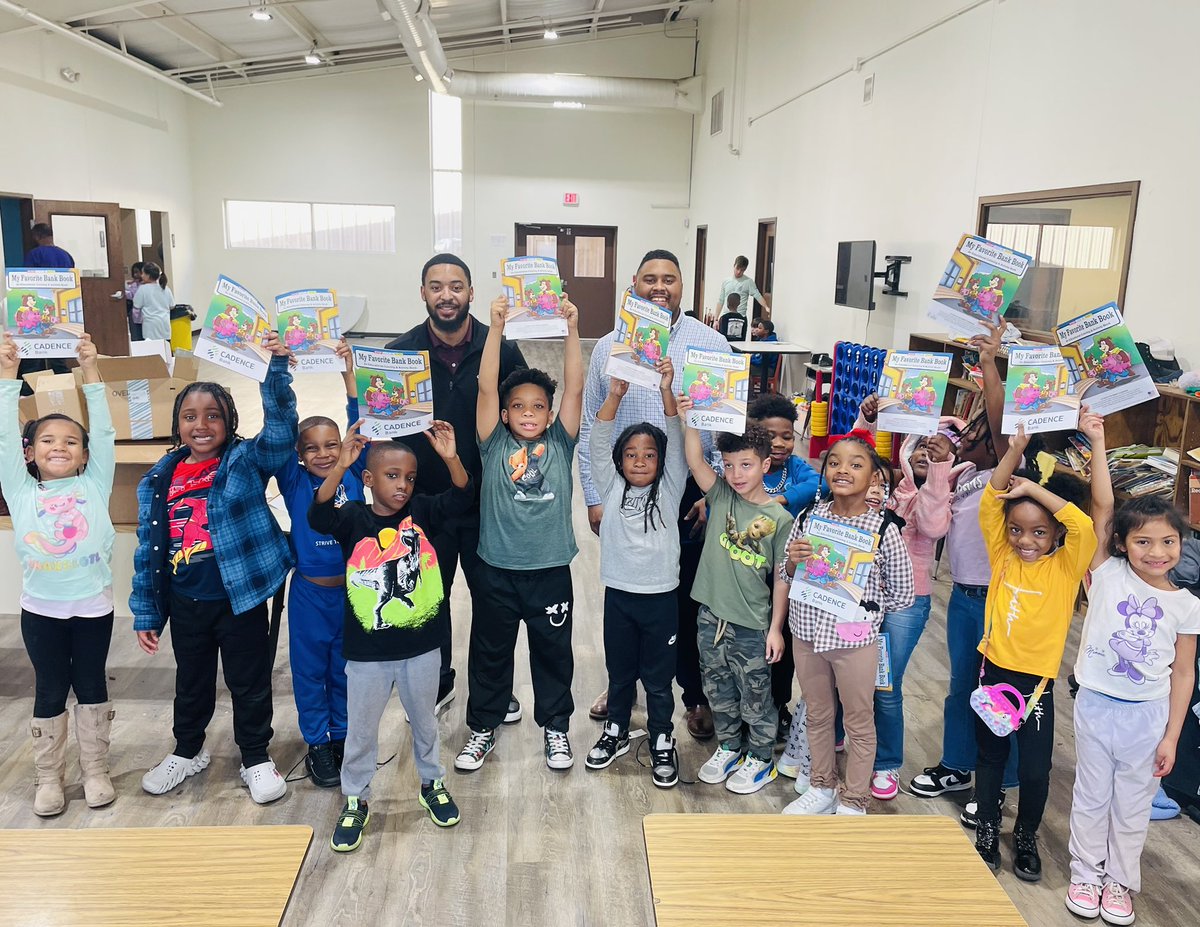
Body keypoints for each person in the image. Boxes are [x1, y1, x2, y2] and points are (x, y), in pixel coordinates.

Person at [132, 332, 296, 805]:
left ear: (229, 422)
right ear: (177, 424)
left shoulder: (243, 460)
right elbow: (148, 552)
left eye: (213, 416)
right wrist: (147, 613)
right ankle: (187, 750)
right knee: (192, 679)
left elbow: (283, 430)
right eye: (190, 417)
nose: (201, 425)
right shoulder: (159, 478)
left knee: (248, 680)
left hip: (239, 598)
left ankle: (255, 756)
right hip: (186, 602)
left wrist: (276, 369)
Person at [579, 249, 734, 741]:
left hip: (691, 485)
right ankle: (621, 688)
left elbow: (727, 430)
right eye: (650, 279)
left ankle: (693, 693)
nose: (660, 287)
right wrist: (593, 494)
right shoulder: (608, 347)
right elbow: (590, 428)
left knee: (686, 594)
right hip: (627, 482)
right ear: (634, 284)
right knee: (627, 592)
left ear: (684, 286)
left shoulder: (710, 344)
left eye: (669, 279)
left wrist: (718, 493)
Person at [1064, 410, 1200, 923]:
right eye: (1143, 541)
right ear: (1122, 544)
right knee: (1091, 795)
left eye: (1168, 542)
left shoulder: (1187, 604)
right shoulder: (1108, 573)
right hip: (1097, 705)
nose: (1157, 551)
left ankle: (1120, 882)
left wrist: (1171, 735)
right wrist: (1097, 439)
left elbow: (1183, 675)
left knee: (1133, 806)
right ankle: (1085, 873)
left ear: (1180, 546)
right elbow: (1103, 506)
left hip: (1148, 717)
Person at [311, 420, 472, 851]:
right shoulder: (353, 518)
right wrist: (341, 462)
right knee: (362, 731)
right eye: (391, 475)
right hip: (367, 654)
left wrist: (451, 457)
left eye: (409, 477)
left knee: (425, 723)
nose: (402, 485)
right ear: (368, 478)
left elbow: (461, 495)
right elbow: (317, 515)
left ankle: (432, 782)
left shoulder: (422, 513)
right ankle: (355, 797)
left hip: (422, 648)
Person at [385, 254, 527, 717]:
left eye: (456, 286)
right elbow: (384, 432)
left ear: (470, 292)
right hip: (426, 505)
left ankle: (492, 691)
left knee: (493, 604)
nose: (447, 295)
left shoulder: (499, 347)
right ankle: (436, 683)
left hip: (489, 503)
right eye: (436, 286)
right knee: (428, 598)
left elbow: (525, 417)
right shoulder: (398, 353)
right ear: (422, 292)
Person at [454, 293, 583, 772]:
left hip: (549, 572)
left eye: (537, 406)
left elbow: (574, 388)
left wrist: (572, 328)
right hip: (497, 573)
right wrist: (496, 327)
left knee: (553, 654)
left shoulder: (559, 441)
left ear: (550, 414)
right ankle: (483, 728)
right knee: (490, 654)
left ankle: (555, 729)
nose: (528, 413)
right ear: (505, 414)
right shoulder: (492, 444)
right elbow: (485, 387)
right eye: (518, 406)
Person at [909, 319, 1021, 826]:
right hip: (965, 596)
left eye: (978, 434)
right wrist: (939, 459)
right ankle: (957, 765)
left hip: (1004, 599)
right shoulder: (965, 472)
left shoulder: (1012, 469)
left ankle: (1005, 777)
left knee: (1005, 690)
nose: (972, 437)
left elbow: (1000, 428)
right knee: (961, 685)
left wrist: (992, 365)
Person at [972, 423, 1095, 877]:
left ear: (1055, 535)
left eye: (1040, 532)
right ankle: (986, 828)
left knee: (1037, 771)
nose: (1027, 541)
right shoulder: (1002, 556)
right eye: (1019, 531)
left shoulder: (1065, 568)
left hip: (1037, 687)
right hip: (993, 674)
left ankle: (1025, 833)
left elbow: (1082, 525)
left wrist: (1040, 494)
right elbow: (991, 497)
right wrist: (1016, 451)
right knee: (990, 757)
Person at [1, 333, 115, 816]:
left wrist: (90, 370)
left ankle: (95, 769)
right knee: (50, 688)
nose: (60, 447)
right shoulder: (21, 489)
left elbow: (105, 430)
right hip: (41, 610)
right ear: (30, 453)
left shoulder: (95, 479)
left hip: (93, 607)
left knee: (91, 686)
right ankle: (49, 777)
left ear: (86, 454)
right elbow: (6, 435)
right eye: (47, 440)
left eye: (71, 441)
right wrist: (7, 375)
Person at [779, 431, 915, 815]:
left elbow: (904, 593)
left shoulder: (885, 529)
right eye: (835, 462)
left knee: (858, 718)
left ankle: (855, 797)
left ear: (874, 477)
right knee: (818, 713)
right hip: (806, 633)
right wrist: (793, 560)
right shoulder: (809, 517)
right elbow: (786, 574)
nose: (843, 470)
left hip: (854, 639)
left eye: (856, 464)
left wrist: (863, 608)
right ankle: (821, 786)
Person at [674, 402, 793, 795]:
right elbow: (694, 459)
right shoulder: (721, 494)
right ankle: (729, 746)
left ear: (764, 464)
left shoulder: (779, 520)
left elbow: (781, 578)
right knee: (717, 689)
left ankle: (761, 757)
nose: (735, 474)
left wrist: (776, 629)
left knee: (756, 695)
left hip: (752, 624)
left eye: (745, 465)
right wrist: (690, 419)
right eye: (728, 465)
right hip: (711, 616)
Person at [584, 361, 687, 788]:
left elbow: (678, 442)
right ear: (620, 462)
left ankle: (663, 737)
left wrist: (667, 391)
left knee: (659, 680)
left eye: (649, 455)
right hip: (620, 598)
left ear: (661, 461)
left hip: (661, 599)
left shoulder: (670, 487)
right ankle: (616, 731)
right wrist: (615, 394)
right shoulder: (611, 486)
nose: (640, 461)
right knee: (620, 673)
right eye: (631, 455)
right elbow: (596, 440)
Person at [856, 394, 963, 800]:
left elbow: (934, 527)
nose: (927, 451)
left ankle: (886, 763)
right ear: (906, 449)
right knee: (845, 674)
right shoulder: (887, 486)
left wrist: (939, 470)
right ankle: (839, 743)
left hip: (906, 604)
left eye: (937, 447)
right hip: (860, 596)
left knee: (885, 683)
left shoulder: (941, 492)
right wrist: (865, 423)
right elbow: (852, 463)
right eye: (922, 445)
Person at [274, 340, 363, 788]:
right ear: (300, 454)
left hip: (352, 592)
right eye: (314, 448)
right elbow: (283, 423)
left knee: (345, 669)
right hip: (309, 594)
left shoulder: (353, 469)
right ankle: (317, 742)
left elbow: (359, 414)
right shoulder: (292, 479)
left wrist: (348, 371)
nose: (325, 453)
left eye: (333, 445)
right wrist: (280, 367)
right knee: (309, 672)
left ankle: (344, 737)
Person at [747, 394, 820, 743]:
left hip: (786, 574)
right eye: (769, 434)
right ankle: (748, 708)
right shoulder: (745, 467)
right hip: (747, 572)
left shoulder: (795, 471)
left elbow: (816, 484)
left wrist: (781, 499)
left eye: (787, 435)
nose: (778, 442)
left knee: (782, 647)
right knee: (748, 644)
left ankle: (778, 706)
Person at [712, 255, 766, 319]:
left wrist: (766, 307)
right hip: (726, 316)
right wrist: (716, 319)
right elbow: (721, 300)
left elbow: (757, 295)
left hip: (741, 316)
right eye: (737, 268)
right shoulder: (726, 281)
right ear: (734, 265)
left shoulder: (748, 282)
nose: (739, 272)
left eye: (742, 270)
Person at [134, 262, 173, 343]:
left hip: (150, 326)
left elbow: (136, 305)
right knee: (166, 350)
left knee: (152, 351)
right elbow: (172, 305)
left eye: (143, 273)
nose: (141, 275)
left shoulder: (143, 289)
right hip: (164, 324)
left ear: (148, 275)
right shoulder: (165, 288)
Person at [749, 317, 779, 383]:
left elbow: (761, 361)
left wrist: (749, 359)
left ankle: (748, 391)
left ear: (766, 331)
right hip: (760, 366)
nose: (756, 330)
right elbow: (756, 356)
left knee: (743, 368)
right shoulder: (761, 341)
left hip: (767, 370)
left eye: (759, 328)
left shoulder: (770, 344)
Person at [126, 261, 145, 342]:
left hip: (144, 316)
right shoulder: (133, 284)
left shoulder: (146, 286)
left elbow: (135, 296)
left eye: (137, 272)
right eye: (134, 273)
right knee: (136, 337)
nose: (135, 275)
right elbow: (130, 294)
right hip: (135, 316)